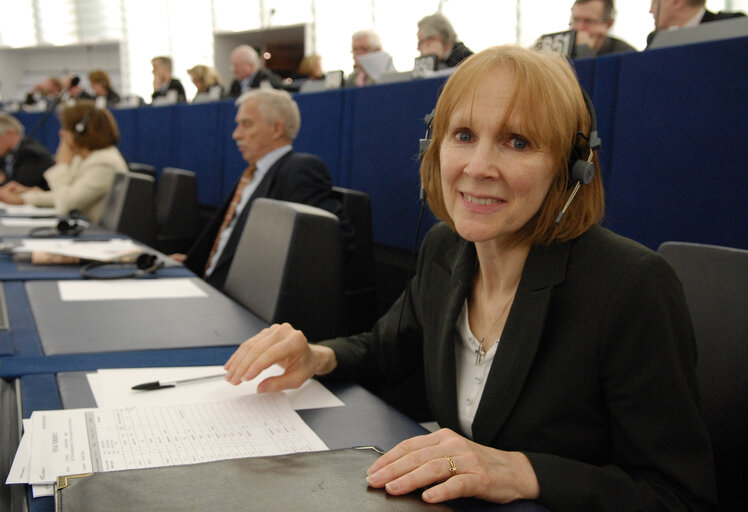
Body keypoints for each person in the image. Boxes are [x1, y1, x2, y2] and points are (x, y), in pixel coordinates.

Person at [223, 45, 717, 511]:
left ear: (572, 167)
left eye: (516, 141)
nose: (478, 167)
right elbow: (385, 348)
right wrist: (318, 355)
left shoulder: (630, 286)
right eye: (463, 136)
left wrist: (524, 472)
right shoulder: (447, 249)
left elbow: (678, 495)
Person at [172, 89, 352, 291]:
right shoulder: (252, 174)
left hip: (241, 298)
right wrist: (193, 261)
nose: (236, 134)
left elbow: (327, 247)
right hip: (209, 284)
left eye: (246, 124)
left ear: (276, 129)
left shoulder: (300, 170)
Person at [0, 100, 128, 223]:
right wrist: (24, 198)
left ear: (81, 131)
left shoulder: (103, 162)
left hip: (96, 235)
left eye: (66, 128)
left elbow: (66, 203)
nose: (61, 132)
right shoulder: (83, 159)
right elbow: (64, 195)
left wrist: (62, 165)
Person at [647, 0, 746, 47]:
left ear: (677, 2)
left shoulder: (731, 26)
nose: (650, 10)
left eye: (655, 3)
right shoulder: (655, 40)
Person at [0, 112, 54, 189]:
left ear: (10, 133)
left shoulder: (31, 154)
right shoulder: (8, 153)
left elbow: (18, 187)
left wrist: (3, 182)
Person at [569, 0, 636, 57]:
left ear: (608, 24)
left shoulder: (625, 53)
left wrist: (583, 50)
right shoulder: (562, 47)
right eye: (575, 20)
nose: (579, 27)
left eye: (588, 21)